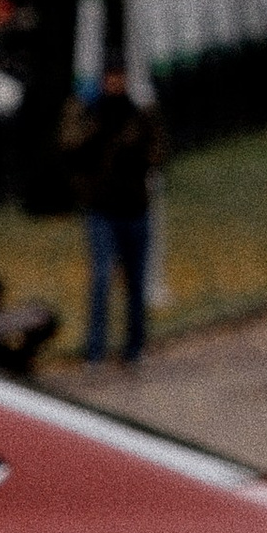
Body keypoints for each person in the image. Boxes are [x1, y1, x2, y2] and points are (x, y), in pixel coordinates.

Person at [62, 65, 167, 366]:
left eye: (120, 77)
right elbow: (72, 148)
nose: (116, 84)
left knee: (135, 281)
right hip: (102, 210)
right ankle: (95, 350)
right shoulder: (91, 114)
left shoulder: (139, 114)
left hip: (134, 207)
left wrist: (140, 155)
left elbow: (157, 152)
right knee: (102, 278)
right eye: (111, 78)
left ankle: (134, 347)